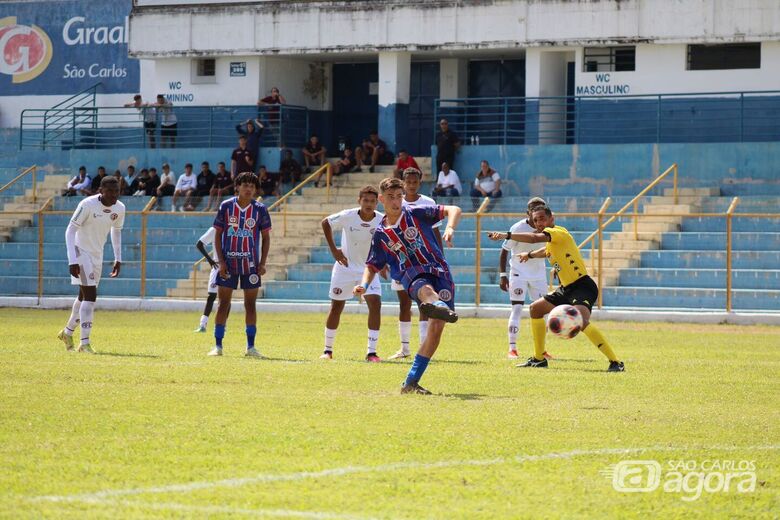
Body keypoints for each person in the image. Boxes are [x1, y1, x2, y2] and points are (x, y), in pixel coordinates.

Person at [355, 177, 462, 395]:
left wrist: (450, 228)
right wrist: (363, 284)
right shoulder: (381, 235)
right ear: (382, 199)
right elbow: (372, 264)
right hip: (411, 274)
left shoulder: (416, 213)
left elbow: (454, 208)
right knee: (426, 291)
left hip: (439, 270)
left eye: (400, 196)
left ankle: (411, 382)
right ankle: (435, 304)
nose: (396, 201)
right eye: (391, 197)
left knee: (437, 328)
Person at [487, 205, 625, 372]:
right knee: (535, 309)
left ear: (552, 219)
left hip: (583, 286)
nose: (539, 223)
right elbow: (545, 251)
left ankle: (615, 362)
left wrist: (506, 235)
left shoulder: (558, 232)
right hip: (566, 288)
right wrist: (529, 255)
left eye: (542, 219)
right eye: (536, 220)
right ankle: (539, 359)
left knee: (581, 321)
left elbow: (533, 239)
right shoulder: (552, 241)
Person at [57, 176, 125, 354]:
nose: (113, 195)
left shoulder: (120, 208)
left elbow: (116, 231)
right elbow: (70, 231)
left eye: (116, 191)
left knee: (83, 296)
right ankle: (84, 343)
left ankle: (67, 332)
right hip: (80, 252)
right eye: (109, 191)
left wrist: (118, 258)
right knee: (91, 297)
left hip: (97, 255)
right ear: (100, 190)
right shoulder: (87, 204)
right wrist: (72, 259)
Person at [209, 172, 272, 357]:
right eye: (245, 185)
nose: (248, 189)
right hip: (228, 264)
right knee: (223, 304)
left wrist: (262, 263)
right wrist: (221, 262)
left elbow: (266, 238)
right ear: (237, 186)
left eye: (252, 186)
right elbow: (218, 235)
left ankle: (250, 347)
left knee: (250, 305)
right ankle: (218, 346)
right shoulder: (226, 206)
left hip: (251, 265)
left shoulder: (260, 209)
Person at [319, 186, 384, 361]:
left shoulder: (381, 220)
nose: (369, 204)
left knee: (376, 304)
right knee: (336, 307)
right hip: (345, 268)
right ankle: (327, 350)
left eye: (372, 201)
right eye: (365, 200)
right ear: (359, 201)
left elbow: (387, 241)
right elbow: (325, 222)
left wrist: (383, 263)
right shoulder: (348, 216)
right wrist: (334, 250)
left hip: (369, 269)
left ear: (377, 202)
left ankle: (371, 352)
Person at [387, 167, 443, 361]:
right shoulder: (395, 203)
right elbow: (387, 232)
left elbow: (435, 233)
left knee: (424, 304)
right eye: (408, 181)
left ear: (420, 182)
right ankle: (404, 348)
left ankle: (423, 346)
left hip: (424, 260)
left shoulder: (428, 203)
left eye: (414, 181)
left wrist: (440, 258)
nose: (411, 184)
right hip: (401, 260)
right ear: (402, 182)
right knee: (403, 303)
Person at [499, 197, 552, 360]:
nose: (537, 211)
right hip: (518, 273)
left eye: (540, 208)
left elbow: (552, 247)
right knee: (517, 309)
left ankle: (541, 350)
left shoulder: (548, 228)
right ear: (528, 212)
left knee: (544, 313)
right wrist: (503, 275)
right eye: (534, 208)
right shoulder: (517, 227)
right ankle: (512, 348)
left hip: (539, 275)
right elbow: (504, 250)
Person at [193, 226, 220, 333]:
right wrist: (210, 260)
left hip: (229, 267)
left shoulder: (232, 229)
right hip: (217, 266)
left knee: (226, 297)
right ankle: (203, 325)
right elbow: (199, 244)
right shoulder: (214, 230)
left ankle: (222, 326)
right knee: (212, 296)